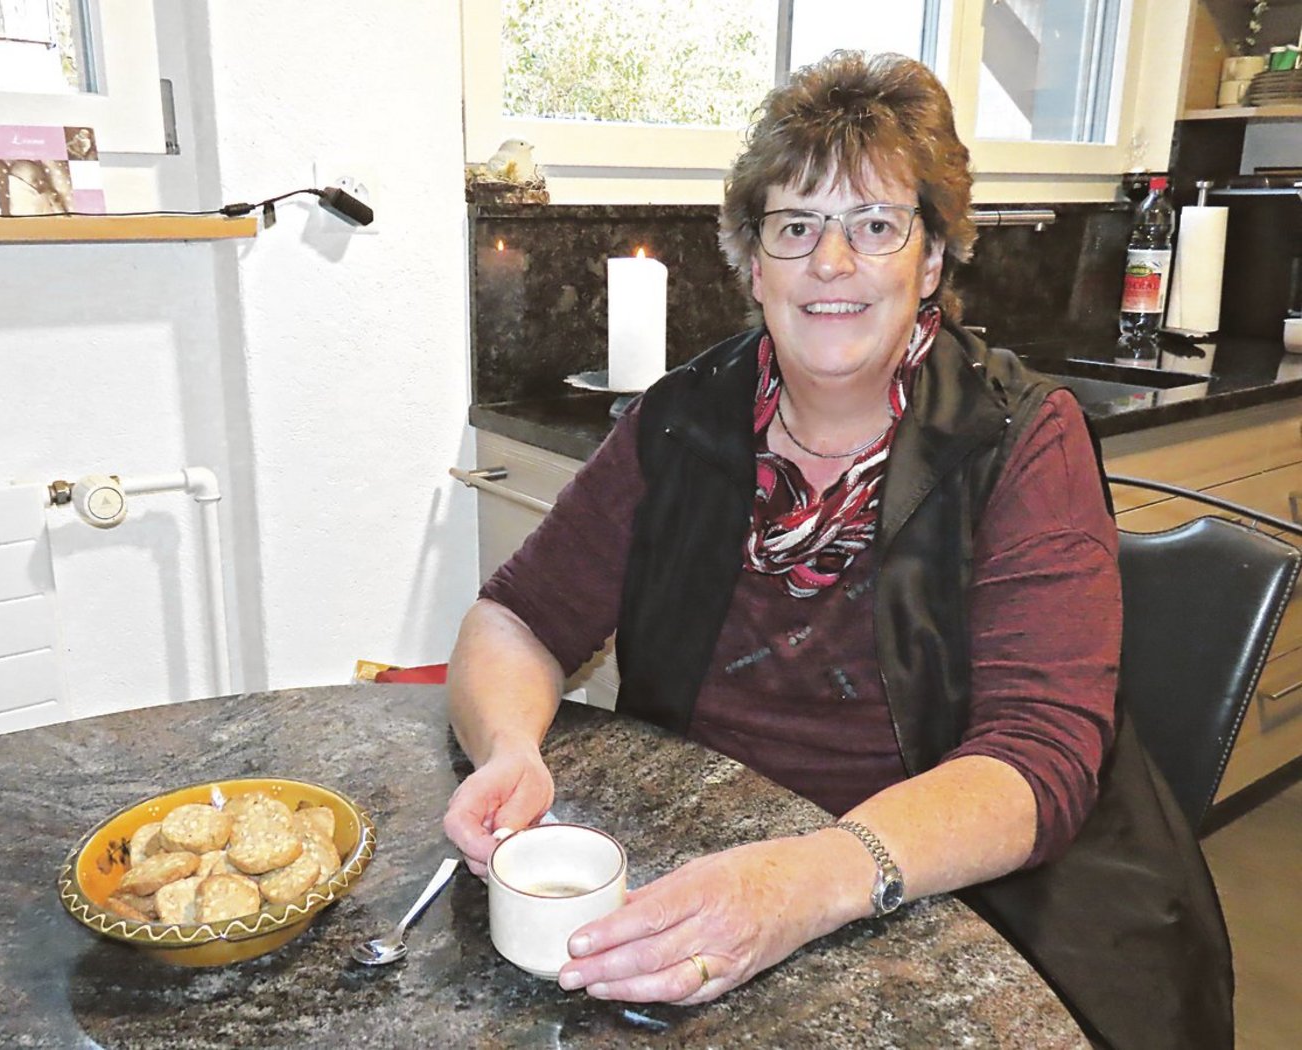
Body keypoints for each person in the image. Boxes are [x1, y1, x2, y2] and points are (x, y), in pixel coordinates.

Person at [444, 50, 1231, 1049]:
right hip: (713, 865)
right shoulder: (679, 423)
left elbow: (1039, 757)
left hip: (960, 899)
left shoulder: (1021, 439)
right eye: (795, 226)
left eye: (874, 226)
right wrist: (509, 746)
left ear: (932, 257)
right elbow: (516, 617)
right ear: (751, 257)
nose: (830, 263)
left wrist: (807, 880)